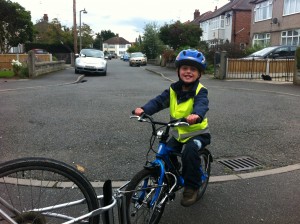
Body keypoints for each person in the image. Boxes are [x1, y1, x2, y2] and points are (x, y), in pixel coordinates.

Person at [134, 49, 211, 207]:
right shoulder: (173, 90)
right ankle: (172, 174)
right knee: (165, 152)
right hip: (178, 134)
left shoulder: (200, 91)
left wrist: (196, 114)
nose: (188, 72)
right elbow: (158, 102)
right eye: (184, 68)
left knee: (189, 152)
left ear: (199, 74)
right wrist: (144, 110)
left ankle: (192, 187)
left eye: (193, 69)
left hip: (198, 134)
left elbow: (202, 104)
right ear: (178, 71)